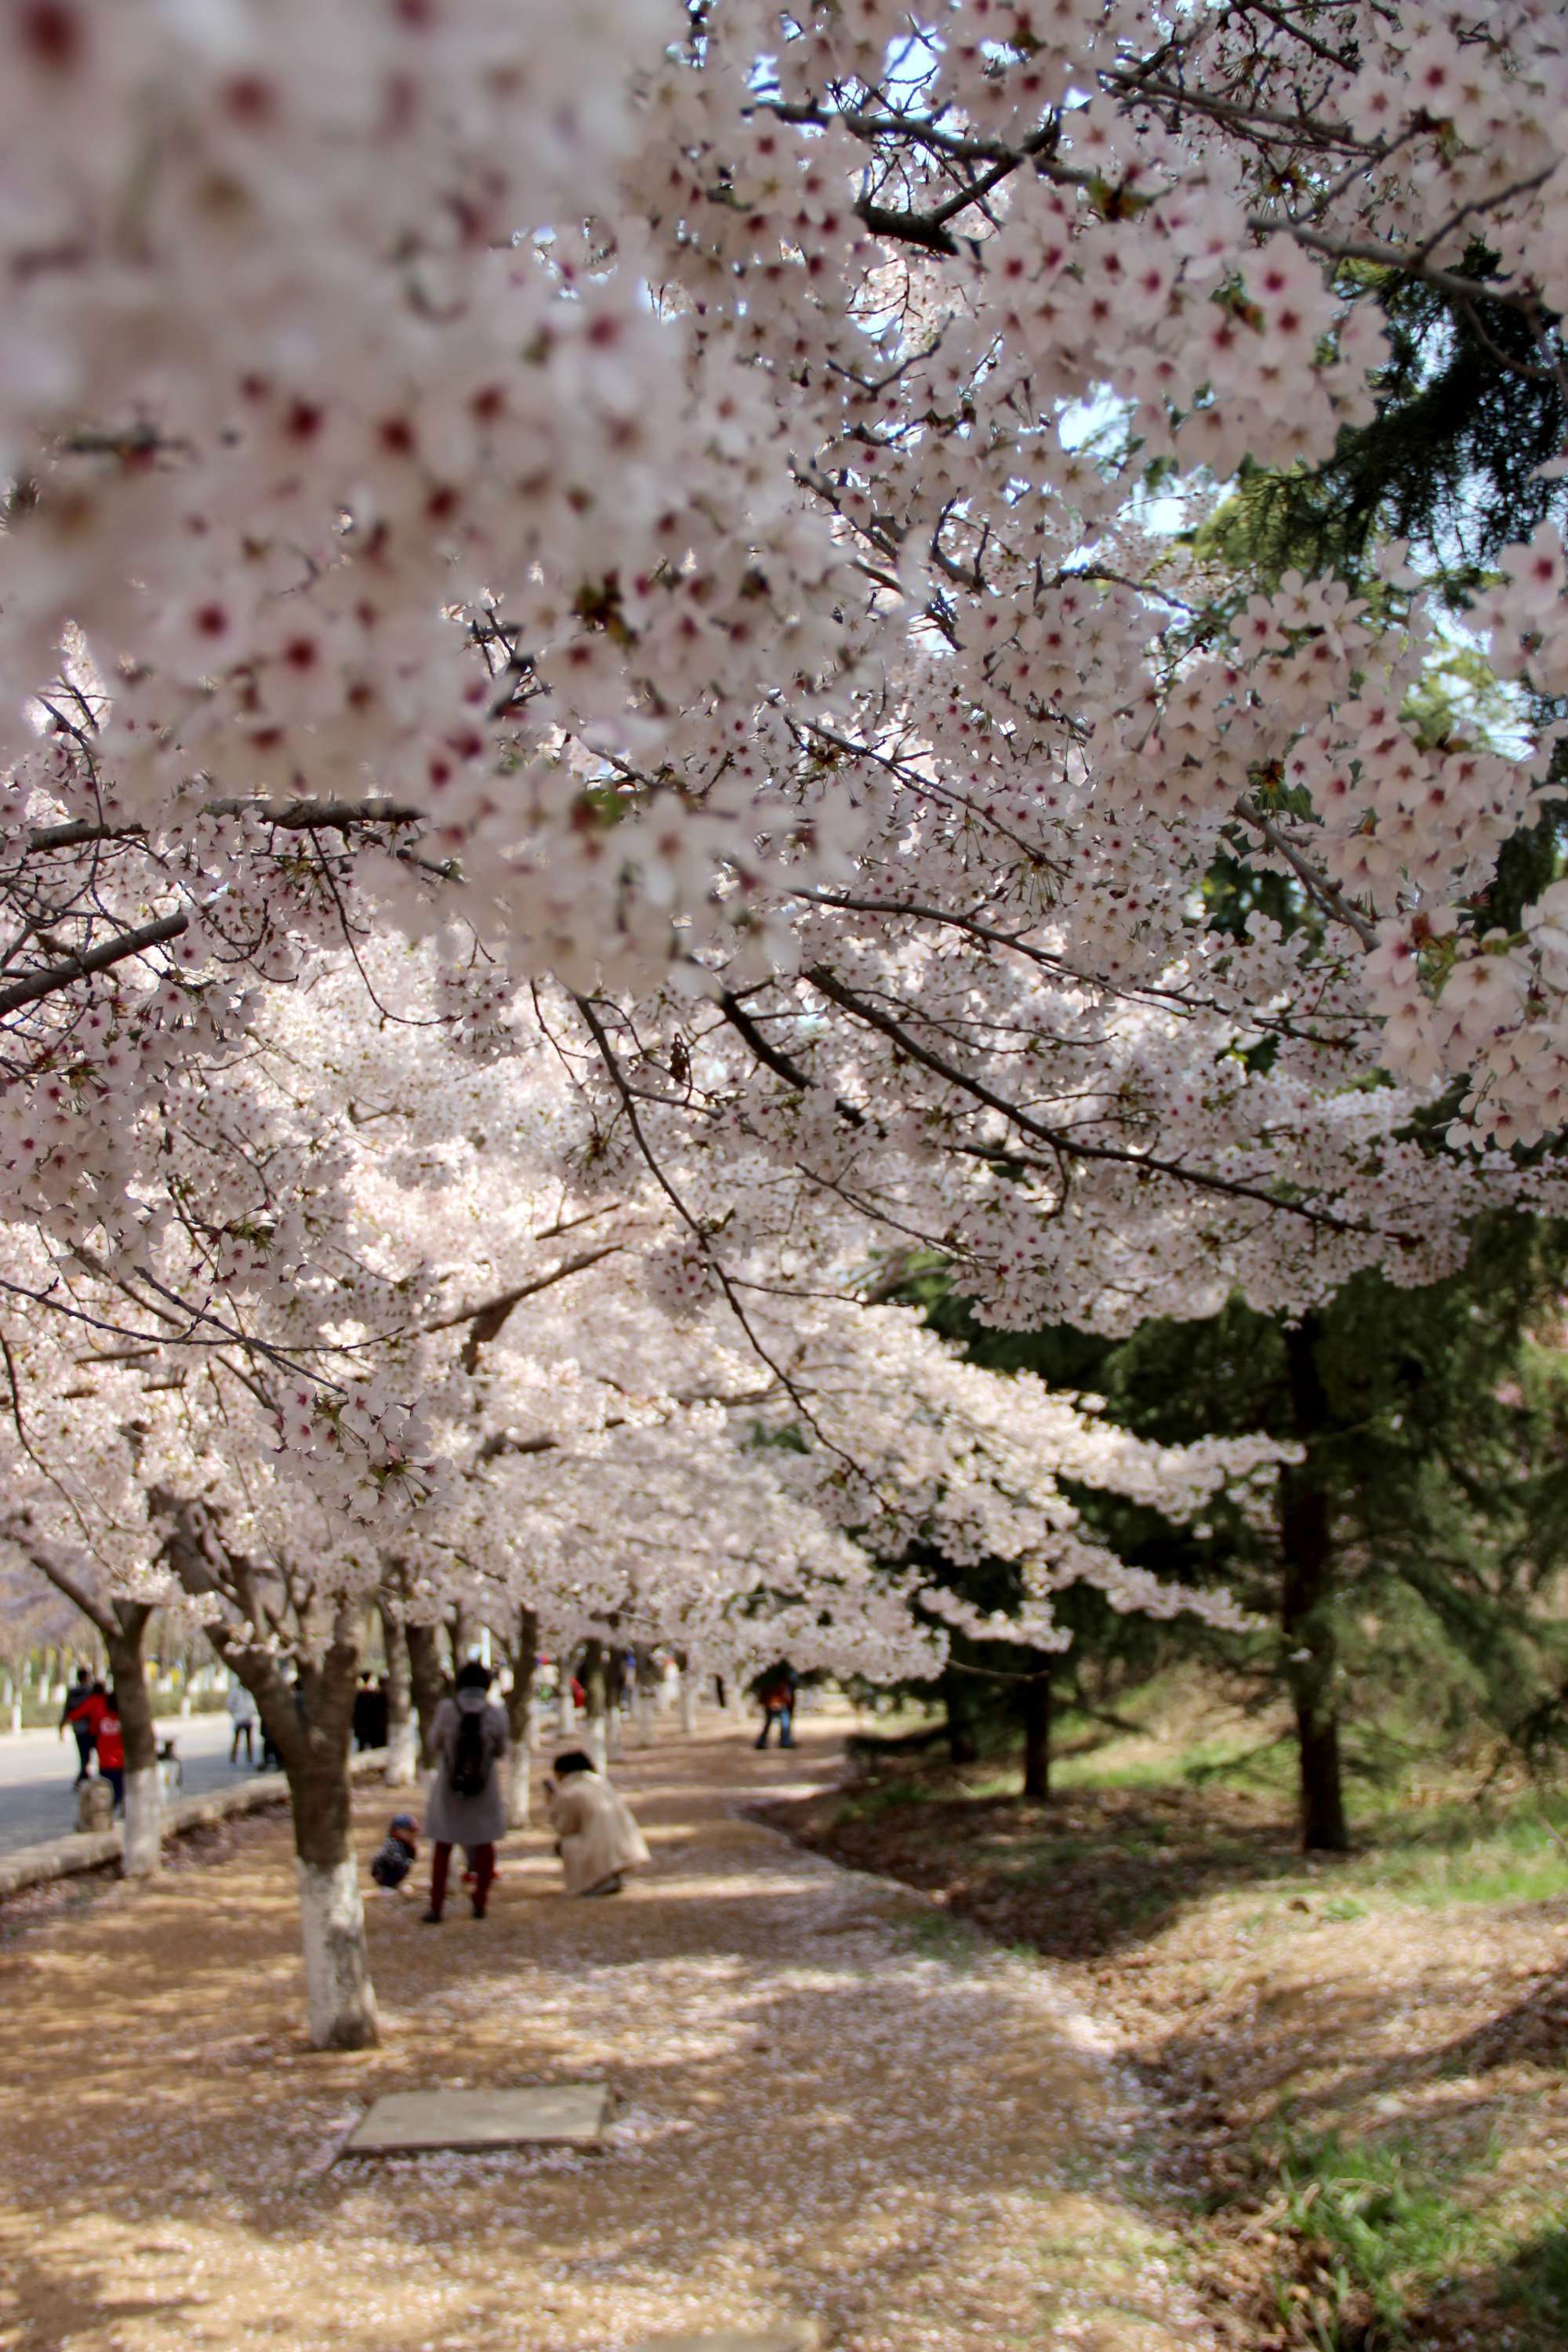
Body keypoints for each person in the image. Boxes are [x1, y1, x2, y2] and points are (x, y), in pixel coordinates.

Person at [422, 1659, 507, 1923]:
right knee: (484, 1845)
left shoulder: (447, 1709)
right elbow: (502, 1750)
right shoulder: (496, 1713)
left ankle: (436, 1906)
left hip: (451, 1786)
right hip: (483, 1787)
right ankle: (480, 1901)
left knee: (444, 1846)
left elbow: (433, 1741)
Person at [544, 1749, 650, 1896]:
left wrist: (552, 1806)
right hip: (625, 1846)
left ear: (562, 1772)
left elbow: (565, 1828)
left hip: (599, 1848)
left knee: (566, 1843)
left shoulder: (569, 1792)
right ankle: (610, 1876)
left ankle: (594, 1880)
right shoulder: (599, 1782)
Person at [59, 1668, 96, 1786]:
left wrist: (61, 1727)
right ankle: (81, 1777)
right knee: (87, 1754)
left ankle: (85, 1774)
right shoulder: (90, 1692)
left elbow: (66, 1709)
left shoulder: (72, 1692)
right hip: (89, 1727)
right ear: (86, 1677)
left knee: (83, 1753)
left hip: (77, 1727)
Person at [753, 1661, 798, 1750]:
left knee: (770, 1723)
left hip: (774, 1704)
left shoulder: (768, 1680)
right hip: (779, 1704)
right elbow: (785, 1695)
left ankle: (762, 1742)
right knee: (783, 1723)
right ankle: (784, 1741)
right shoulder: (781, 1682)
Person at [370, 1813, 419, 1893]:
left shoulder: (407, 1847)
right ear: (397, 1831)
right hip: (385, 1881)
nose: (413, 1835)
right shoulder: (393, 1846)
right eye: (409, 1831)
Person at [94, 1685, 125, 1813]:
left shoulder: (101, 1715)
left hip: (105, 1762)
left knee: (107, 1792)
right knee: (119, 1791)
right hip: (121, 1762)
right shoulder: (124, 1719)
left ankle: (110, 1811)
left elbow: (94, 1732)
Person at [227, 1675, 257, 1766]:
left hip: (248, 1719)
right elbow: (230, 1705)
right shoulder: (236, 1692)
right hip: (239, 1719)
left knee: (249, 1741)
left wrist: (252, 1712)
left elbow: (253, 1704)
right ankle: (233, 1758)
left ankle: (249, 1758)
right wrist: (235, 1714)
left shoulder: (249, 1692)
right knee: (236, 1740)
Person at [351, 1671, 379, 1753]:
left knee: (362, 1746)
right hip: (369, 1725)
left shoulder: (359, 1694)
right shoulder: (373, 1695)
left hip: (364, 1726)